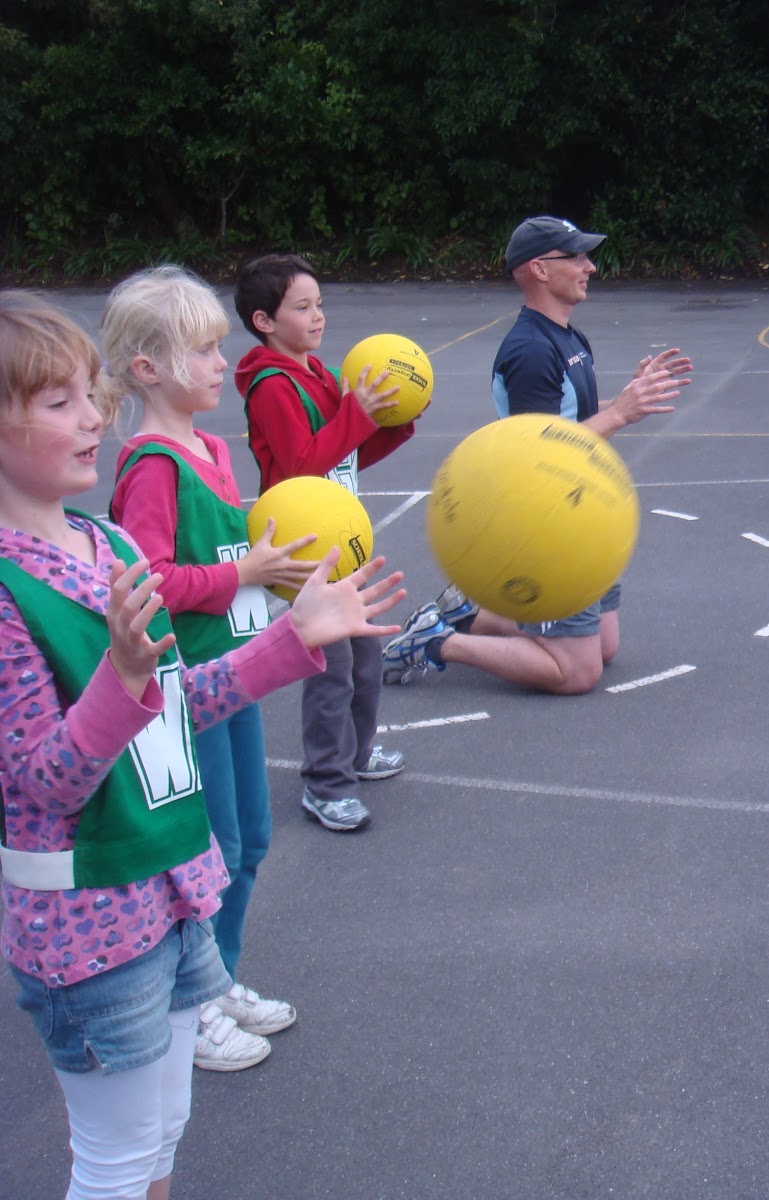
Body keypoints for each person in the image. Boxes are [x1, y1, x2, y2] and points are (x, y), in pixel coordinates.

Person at [0, 289, 405, 1200]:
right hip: (91, 931)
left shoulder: (104, 545)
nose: (92, 415)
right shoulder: (6, 589)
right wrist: (125, 679)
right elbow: (47, 781)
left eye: (86, 394)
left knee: (160, 1144)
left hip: (174, 898)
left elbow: (186, 703)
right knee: (114, 1161)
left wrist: (298, 636)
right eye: (56, 401)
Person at [103, 265, 319, 1071]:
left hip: (234, 677)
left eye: (219, 347)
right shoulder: (153, 464)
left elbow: (238, 559)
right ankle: (189, 1006)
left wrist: (272, 575)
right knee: (213, 849)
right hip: (186, 693)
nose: (220, 364)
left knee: (252, 840)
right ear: (147, 368)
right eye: (202, 352)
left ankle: (218, 978)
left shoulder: (211, 448)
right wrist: (246, 576)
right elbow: (149, 582)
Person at [381, 215, 691, 695]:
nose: (589, 266)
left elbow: (574, 416)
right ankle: (436, 642)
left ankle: (473, 615)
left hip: (582, 510)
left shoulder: (567, 337)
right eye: (577, 257)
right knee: (579, 673)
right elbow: (537, 461)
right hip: (547, 524)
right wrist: (622, 414)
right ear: (540, 269)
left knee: (604, 647)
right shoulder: (529, 350)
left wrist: (628, 398)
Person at [234, 253, 414, 832]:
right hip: (307, 546)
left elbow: (347, 454)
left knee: (365, 656)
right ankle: (325, 782)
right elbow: (301, 466)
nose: (318, 317)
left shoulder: (317, 374)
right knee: (330, 666)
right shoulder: (270, 385)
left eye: (320, 305)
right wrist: (355, 414)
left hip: (342, 535)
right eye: (303, 307)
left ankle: (357, 754)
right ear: (265, 320)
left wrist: (393, 420)